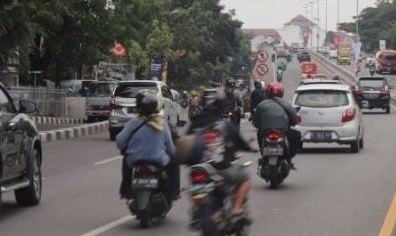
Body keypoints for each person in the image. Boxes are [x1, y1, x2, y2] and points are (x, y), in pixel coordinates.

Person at [185, 89, 255, 218]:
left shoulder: (194, 124)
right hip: (222, 168)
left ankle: (197, 209)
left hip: (200, 168)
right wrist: (250, 148)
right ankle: (237, 208)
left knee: (195, 182)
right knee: (245, 179)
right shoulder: (225, 124)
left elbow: (186, 144)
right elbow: (240, 142)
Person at [116, 91, 179, 202]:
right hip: (158, 161)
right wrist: (173, 155)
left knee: (125, 163)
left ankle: (126, 191)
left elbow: (120, 141)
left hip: (134, 160)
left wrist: (125, 150)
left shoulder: (133, 123)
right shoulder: (162, 124)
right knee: (174, 165)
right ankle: (174, 193)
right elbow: (170, 148)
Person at [250, 82, 300, 168]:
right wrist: (294, 122)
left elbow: (256, 121)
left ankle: (263, 155)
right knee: (297, 135)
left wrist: (257, 124)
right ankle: (289, 158)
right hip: (283, 132)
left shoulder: (261, 104)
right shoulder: (286, 104)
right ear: (281, 93)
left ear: (268, 92)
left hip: (266, 132)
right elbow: (294, 118)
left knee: (259, 134)